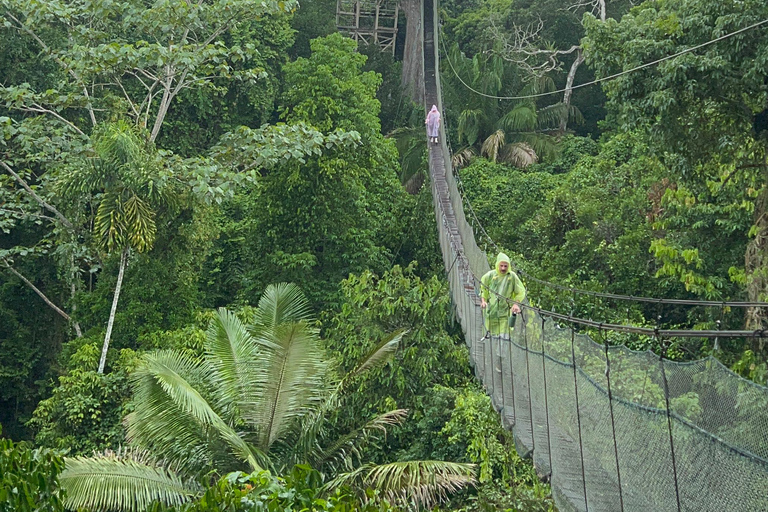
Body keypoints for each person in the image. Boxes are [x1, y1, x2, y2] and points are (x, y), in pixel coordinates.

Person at [480, 252, 525, 337]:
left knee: (503, 340)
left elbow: (520, 291)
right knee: (491, 339)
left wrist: (516, 304)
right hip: (491, 313)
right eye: (501, 266)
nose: (503, 268)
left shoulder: (512, 277)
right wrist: (483, 301)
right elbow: (483, 288)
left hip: (505, 314)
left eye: (505, 266)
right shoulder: (489, 276)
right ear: (497, 265)